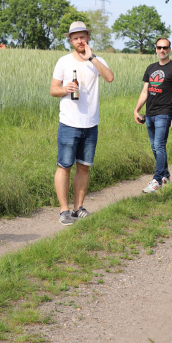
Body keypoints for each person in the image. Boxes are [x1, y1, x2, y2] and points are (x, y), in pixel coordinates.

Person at [50, 21, 114, 225]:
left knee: (84, 167)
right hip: (69, 123)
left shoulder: (97, 60)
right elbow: (53, 89)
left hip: (91, 123)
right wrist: (65, 89)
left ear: (88, 38)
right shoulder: (63, 62)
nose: (80, 40)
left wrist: (92, 58)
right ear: (70, 40)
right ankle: (64, 210)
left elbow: (110, 78)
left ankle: (79, 208)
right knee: (64, 166)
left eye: (83, 36)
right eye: (75, 37)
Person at [133, 37, 172, 193]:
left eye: (165, 47)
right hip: (150, 113)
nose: (162, 50)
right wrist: (136, 109)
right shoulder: (151, 68)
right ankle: (165, 175)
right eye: (159, 47)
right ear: (155, 49)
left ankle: (157, 180)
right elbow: (145, 91)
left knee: (159, 145)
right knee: (154, 147)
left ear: (169, 49)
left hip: (164, 113)